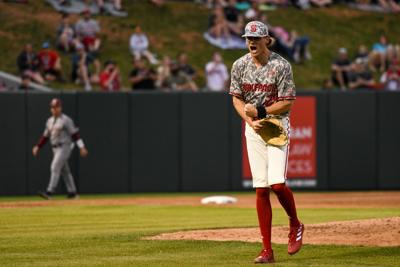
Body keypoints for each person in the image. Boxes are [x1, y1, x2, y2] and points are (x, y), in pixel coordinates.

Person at [229, 21, 304, 264]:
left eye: (256, 38)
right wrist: (249, 122)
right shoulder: (239, 65)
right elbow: (237, 100)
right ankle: (267, 251)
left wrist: (260, 112)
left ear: (267, 40)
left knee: (278, 185)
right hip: (254, 129)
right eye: (248, 37)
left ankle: (295, 223)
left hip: (277, 126)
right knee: (261, 189)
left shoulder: (280, 65)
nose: (251, 41)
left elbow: (288, 102)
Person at [32, 98, 89, 200]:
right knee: (65, 171)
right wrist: (38, 146)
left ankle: (49, 192)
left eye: (56, 107)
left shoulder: (66, 120)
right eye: (53, 107)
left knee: (54, 166)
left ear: (60, 107)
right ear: (51, 109)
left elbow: (75, 134)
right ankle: (73, 192)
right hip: (55, 148)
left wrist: (82, 147)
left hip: (64, 147)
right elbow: (45, 136)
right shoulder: (49, 121)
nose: (54, 109)